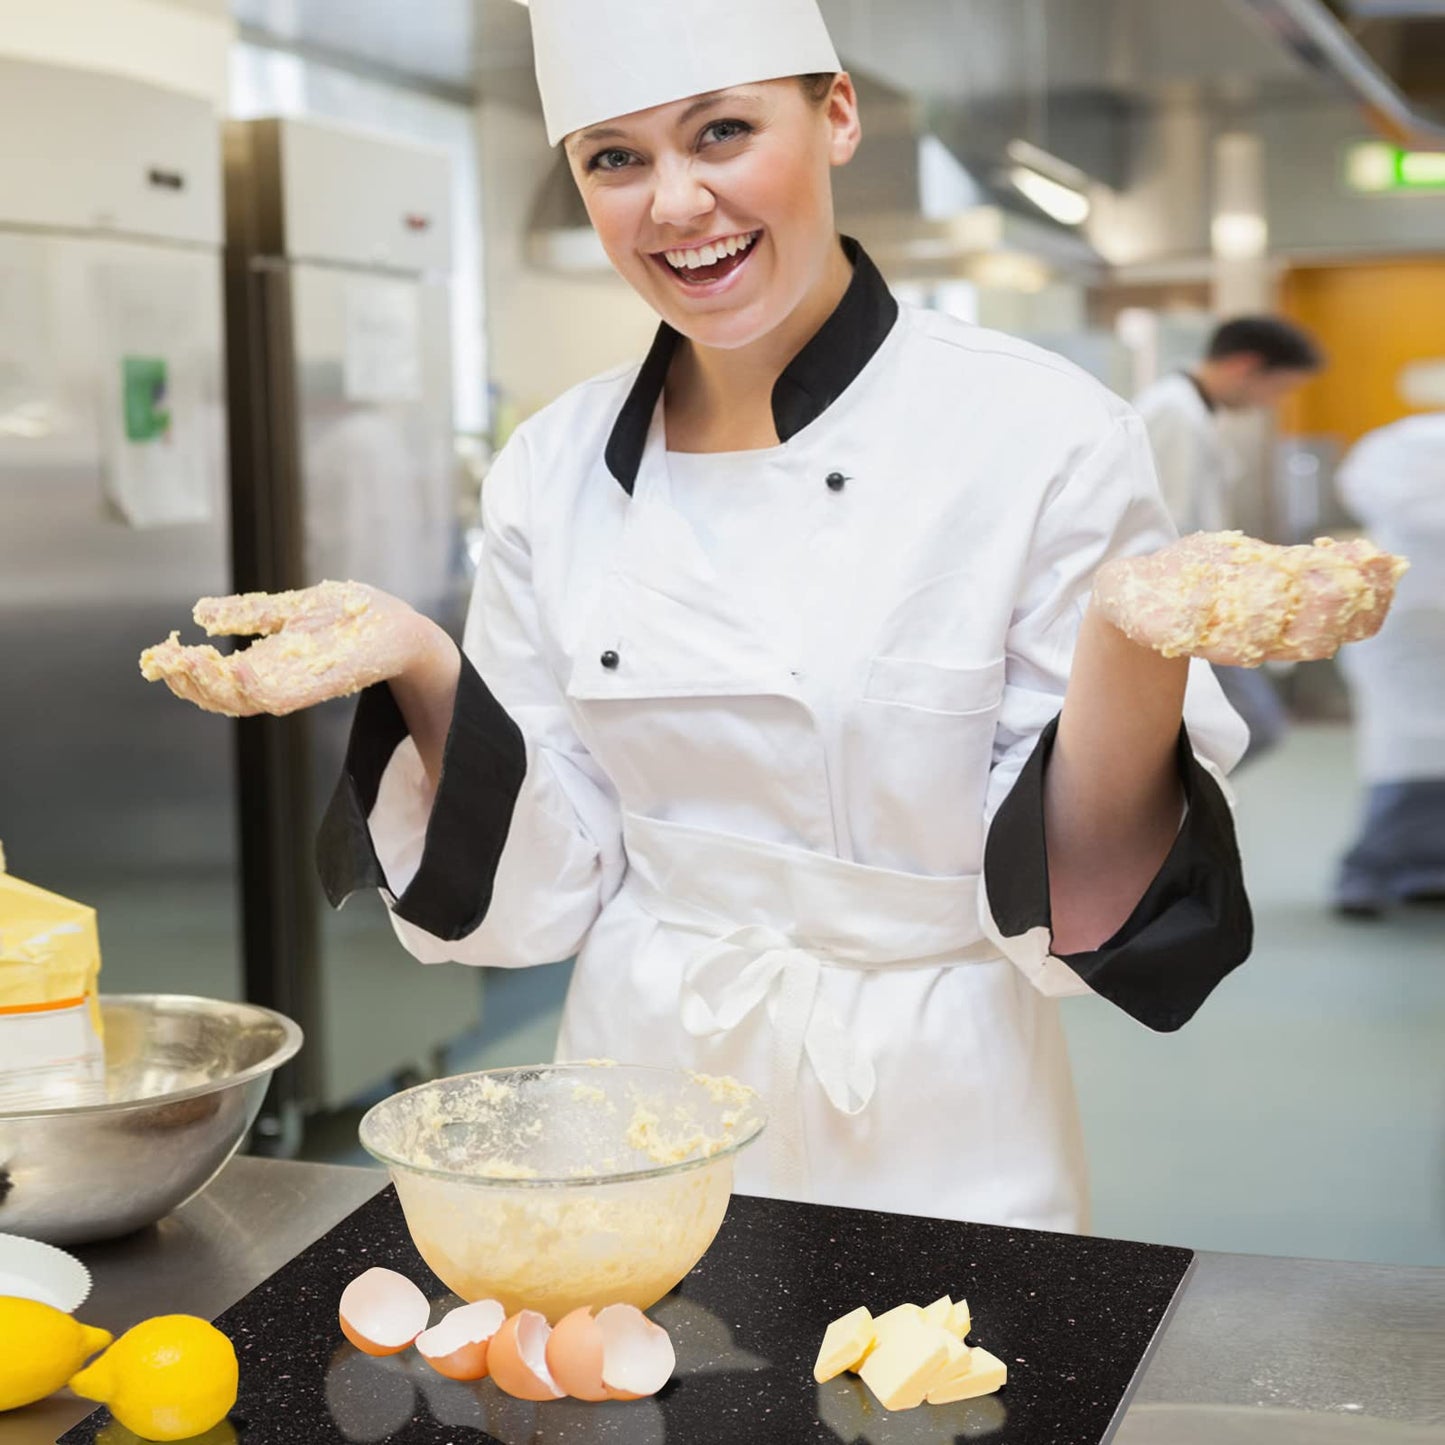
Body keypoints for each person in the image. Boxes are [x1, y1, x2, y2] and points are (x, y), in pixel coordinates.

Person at [141, 0, 1401, 1233]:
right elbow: (544, 889)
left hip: (932, 1100)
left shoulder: (1039, 432)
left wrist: (1132, 643)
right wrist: (423, 664)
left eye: (721, 132)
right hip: (635, 1100)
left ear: (836, 113)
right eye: (615, 159)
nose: (674, 203)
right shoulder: (552, 466)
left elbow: (1077, 912)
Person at [1134, 316, 1325, 765]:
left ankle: (1172, 814)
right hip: (1180, 605)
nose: (1270, 403)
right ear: (1245, 366)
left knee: (1244, 729)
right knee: (1253, 726)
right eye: (1276, 389)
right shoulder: (1173, 413)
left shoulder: (1194, 411)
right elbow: (1170, 527)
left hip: (1196, 602)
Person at [1333, 412, 1445, 916]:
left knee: (1412, 749)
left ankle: (1427, 871)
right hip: (1400, 618)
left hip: (1405, 615)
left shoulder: (1394, 444)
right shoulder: (1406, 444)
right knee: (1401, 750)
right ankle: (1369, 873)